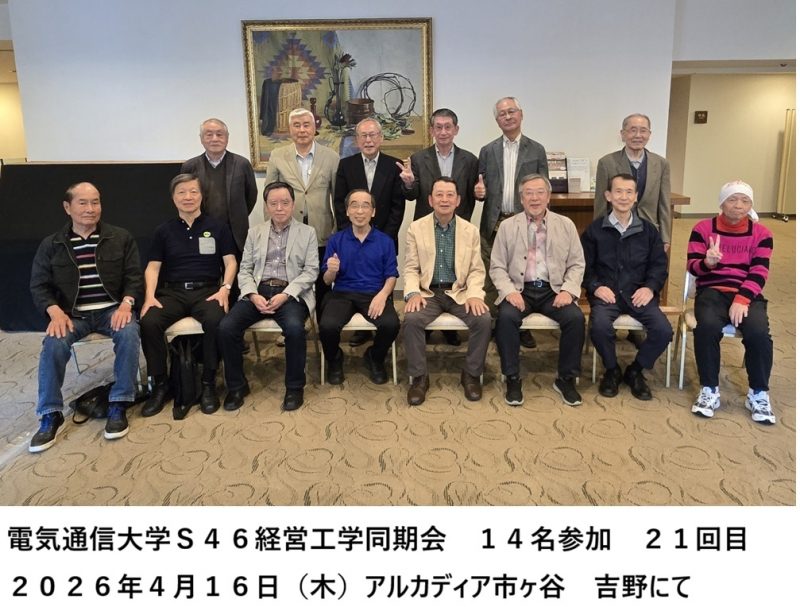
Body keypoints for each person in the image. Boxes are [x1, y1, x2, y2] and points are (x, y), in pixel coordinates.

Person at [28, 182, 143, 452]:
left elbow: (134, 278)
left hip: (112, 309)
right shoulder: (52, 244)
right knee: (54, 343)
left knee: (129, 332)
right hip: (72, 314)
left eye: (95, 202)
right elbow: (39, 285)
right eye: (83, 203)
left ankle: (119, 402)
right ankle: (50, 413)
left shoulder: (120, 237)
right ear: (67, 207)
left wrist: (126, 304)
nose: (90, 209)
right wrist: (54, 311)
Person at [140, 174, 237, 418]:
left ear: (202, 196)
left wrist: (225, 288)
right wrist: (149, 296)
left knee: (216, 321)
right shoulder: (163, 231)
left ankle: (208, 383)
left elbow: (230, 262)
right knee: (149, 321)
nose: (188, 197)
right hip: (173, 292)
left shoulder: (218, 227)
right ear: (173, 198)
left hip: (208, 290)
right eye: (182, 192)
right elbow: (153, 267)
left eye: (194, 191)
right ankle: (160, 384)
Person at [217, 181, 318, 412]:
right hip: (258, 291)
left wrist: (286, 294)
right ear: (266, 206)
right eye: (274, 203)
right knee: (226, 327)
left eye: (285, 202)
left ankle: (294, 388)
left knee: (295, 329)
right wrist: (252, 294)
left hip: (291, 292)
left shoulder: (307, 232)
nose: (279, 208)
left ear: (293, 204)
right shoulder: (255, 233)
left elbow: (311, 271)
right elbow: (245, 270)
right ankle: (237, 387)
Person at [490, 174, 586, 406]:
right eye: (529, 193)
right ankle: (512, 377)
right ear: (521, 199)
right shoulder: (507, 226)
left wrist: (568, 291)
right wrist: (509, 292)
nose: (535, 198)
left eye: (540, 192)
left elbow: (577, 264)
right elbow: (497, 266)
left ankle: (566, 379)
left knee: (575, 318)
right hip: (519, 289)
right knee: (505, 318)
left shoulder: (566, 225)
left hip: (554, 290)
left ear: (548, 196)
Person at [687, 180, 775, 424]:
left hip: (746, 293)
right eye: (732, 200)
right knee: (707, 328)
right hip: (711, 290)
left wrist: (742, 299)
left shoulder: (762, 234)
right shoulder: (703, 228)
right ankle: (709, 389)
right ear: (721, 203)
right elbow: (692, 267)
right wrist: (707, 263)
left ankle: (758, 393)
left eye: (745, 201)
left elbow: (760, 272)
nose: (738, 205)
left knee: (759, 333)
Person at [581, 173, 672, 401]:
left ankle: (635, 370)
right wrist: (595, 287)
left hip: (638, 293)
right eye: (618, 191)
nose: (623, 197)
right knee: (599, 327)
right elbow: (583, 267)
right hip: (607, 294)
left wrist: (650, 288)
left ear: (636, 197)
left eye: (629, 192)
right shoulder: (594, 231)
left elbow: (659, 266)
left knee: (663, 330)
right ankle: (612, 370)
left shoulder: (649, 231)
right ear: (608, 196)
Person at [403, 177, 492, 406]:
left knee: (483, 319)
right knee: (411, 319)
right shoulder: (416, 228)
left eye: (450, 195)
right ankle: (419, 378)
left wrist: (474, 294)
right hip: (428, 293)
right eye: (439, 195)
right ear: (430, 200)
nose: (444, 199)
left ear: (458, 200)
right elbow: (411, 268)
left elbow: (476, 270)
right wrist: (412, 293)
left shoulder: (470, 230)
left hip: (459, 292)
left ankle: (471, 374)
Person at [475, 97, 549, 348]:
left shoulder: (536, 150)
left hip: (525, 223)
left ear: (521, 114)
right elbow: (480, 189)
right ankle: (494, 324)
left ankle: (521, 326)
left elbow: (543, 188)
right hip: (494, 223)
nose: (507, 117)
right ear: (497, 120)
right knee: (492, 276)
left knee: (522, 274)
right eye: (502, 114)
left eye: (511, 111)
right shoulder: (487, 150)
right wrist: (479, 193)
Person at [333, 117, 404, 348]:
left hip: (384, 238)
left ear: (381, 138)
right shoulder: (346, 165)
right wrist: (350, 236)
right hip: (353, 238)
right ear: (357, 140)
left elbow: (397, 206)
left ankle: (382, 325)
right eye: (363, 135)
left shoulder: (394, 165)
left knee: (384, 284)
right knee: (355, 281)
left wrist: (384, 239)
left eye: (373, 135)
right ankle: (361, 331)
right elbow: (340, 204)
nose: (368, 140)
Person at [265, 108, 339, 321]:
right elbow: (268, 194)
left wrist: (337, 231)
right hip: (288, 230)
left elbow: (338, 197)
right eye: (296, 125)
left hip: (322, 230)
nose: (302, 130)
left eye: (306, 125)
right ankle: (294, 324)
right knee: (290, 278)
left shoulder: (331, 157)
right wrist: (270, 229)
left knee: (322, 282)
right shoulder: (278, 156)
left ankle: (323, 326)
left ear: (315, 128)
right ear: (290, 129)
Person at [319, 189, 399, 385]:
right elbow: (327, 281)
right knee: (327, 326)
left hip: (374, 293)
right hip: (342, 294)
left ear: (373, 211)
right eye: (354, 206)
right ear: (347, 211)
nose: (360, 211)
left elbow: (391, 275)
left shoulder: (385, 241)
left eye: (365, 206)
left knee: (391, 324)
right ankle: (335, 360)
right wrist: (331, 270)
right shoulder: (336, 240)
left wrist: (383, 295)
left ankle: (375, 357)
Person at [593, 114, 672, 252]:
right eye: (632, 130)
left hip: (649, 231)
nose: (638, 135)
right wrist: (598, 235)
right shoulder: (607, 163)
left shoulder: (661, 164)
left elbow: (664, 204)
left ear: (649, 134)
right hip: (616, 231)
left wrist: (665, 237)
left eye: (643, 130)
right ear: (623, 134)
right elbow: (600, 204)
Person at [181, 118, 258, 257]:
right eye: (209, 134)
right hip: (202, 230)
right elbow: (184, 198)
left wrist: (237, 215)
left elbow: (251, 196)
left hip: (235, 233)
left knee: (235, 268)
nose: (214, 139)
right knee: (206, 268)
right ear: (201, 139)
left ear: (227, 137)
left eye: (219, 134)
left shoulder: (242, 164)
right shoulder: (190, 166)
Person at [397, 107, 479, 222]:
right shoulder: (418, 159)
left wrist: (481, 193)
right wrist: (409, 184)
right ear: (432, 131)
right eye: (439, 127)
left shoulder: (470, 160)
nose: (443, 132)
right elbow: (411, 196)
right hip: (426, 223)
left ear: (456, 130)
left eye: (448, 127)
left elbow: (472, 197)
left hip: (459, 223)